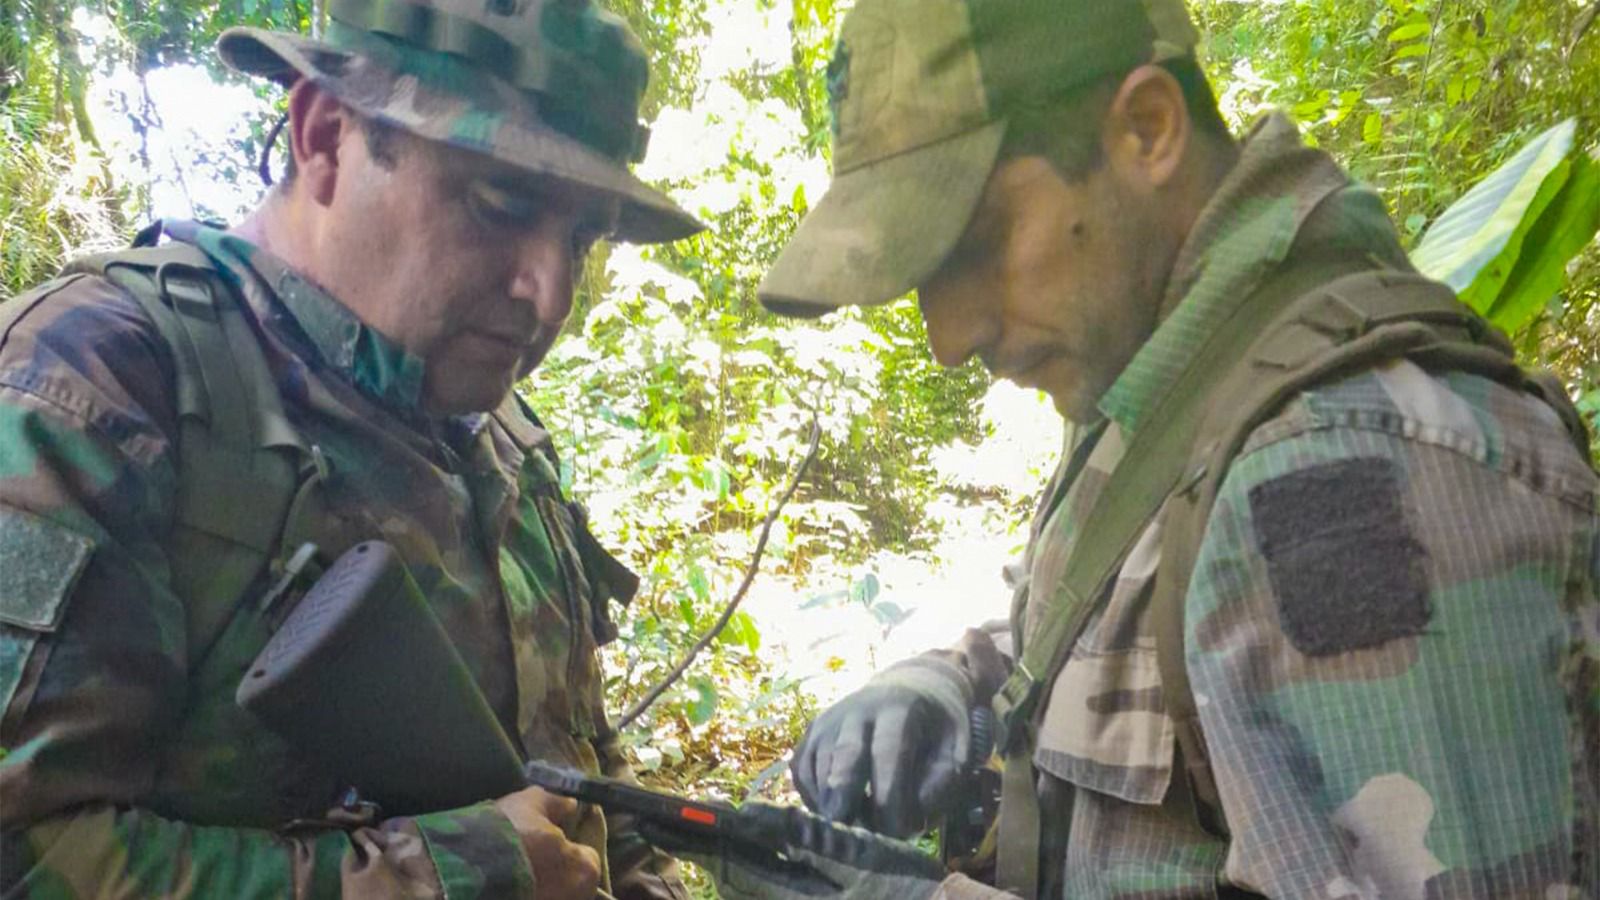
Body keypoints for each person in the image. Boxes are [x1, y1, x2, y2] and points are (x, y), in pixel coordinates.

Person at [676, 0, 1600, 898]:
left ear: (1149, 129)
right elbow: (1139, 642)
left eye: (974, 242)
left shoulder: (1344, 473)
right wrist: (953, 683)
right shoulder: (1169, 391)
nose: (948, 336)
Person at [0, 0, 704, 896]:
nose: (550, 291)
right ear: (325, 136)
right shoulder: (91, 385)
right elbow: (22, 850)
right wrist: (449, 877)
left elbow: (586, 792)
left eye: (581, 236)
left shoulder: (503, 442)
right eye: (502, 204)